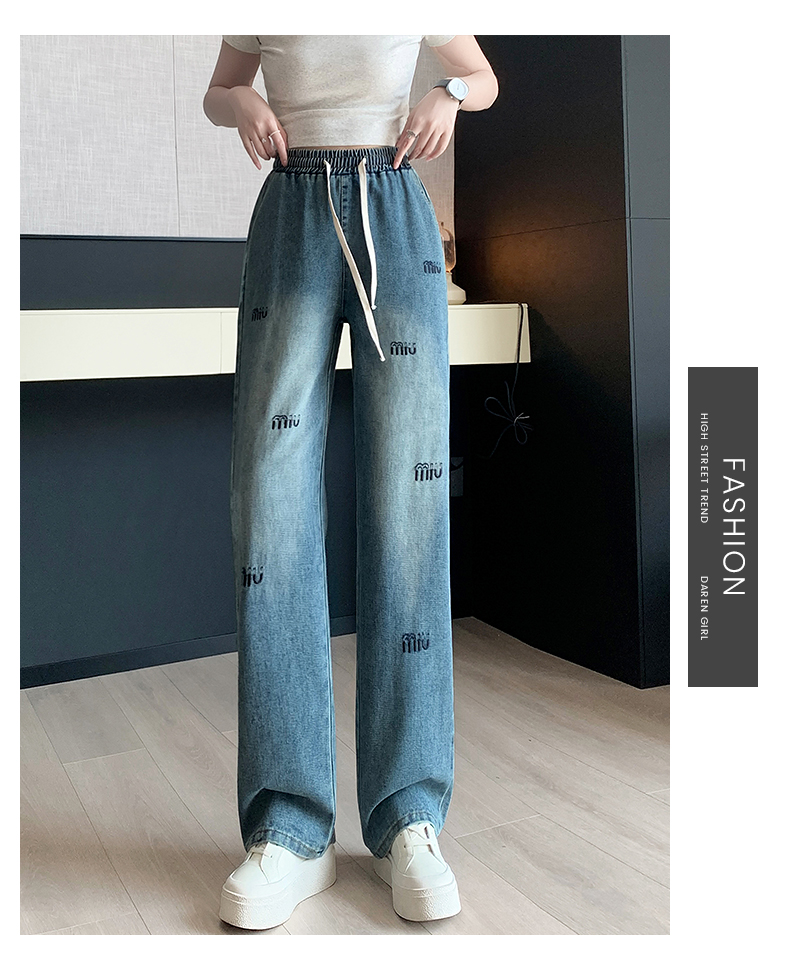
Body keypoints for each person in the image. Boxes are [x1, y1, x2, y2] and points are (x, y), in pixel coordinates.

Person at [203, 34, 498, 931]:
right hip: (290, 213)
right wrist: (243, 105)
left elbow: (481, 78)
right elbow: (220, 89)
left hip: (395, 211)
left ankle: (409, 814)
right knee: (271, 512)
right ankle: (290, 829)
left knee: (410, 507)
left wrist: (447, 96)